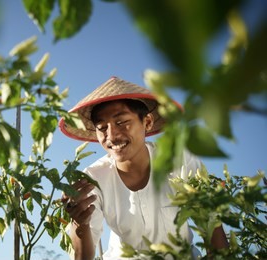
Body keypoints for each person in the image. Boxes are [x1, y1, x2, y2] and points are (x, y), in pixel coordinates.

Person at [58, 76, 228, 260]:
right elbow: (84, 257)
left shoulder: (179, 159)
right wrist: (79, 223)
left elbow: (211, 226)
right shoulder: (93, 178)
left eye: (122, 122)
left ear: (147, 122)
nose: (112, 136)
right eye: (102, 127)